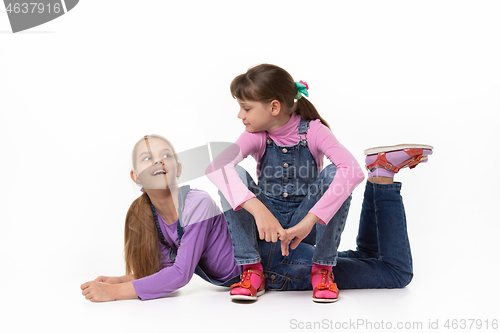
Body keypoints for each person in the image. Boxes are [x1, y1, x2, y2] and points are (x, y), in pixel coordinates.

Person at [206, 64, 433, 303]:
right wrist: (258, 210)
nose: (240, 115)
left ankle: (323, 269)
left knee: (335, 173)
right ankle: (251, 267)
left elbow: (351, 171)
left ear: (274, 107)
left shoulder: (313, 131)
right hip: (268, 232)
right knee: (233, 175)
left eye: (246, 108)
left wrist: (309, 221)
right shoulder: (256, 135)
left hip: (305, 227)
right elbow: (216, 167)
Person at [81, 135, 242, 302]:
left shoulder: (198, 204)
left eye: (166, 156)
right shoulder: (153, 218)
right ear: (136, 176)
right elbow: (166, 272)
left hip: (265, 266)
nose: (158, 161)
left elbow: (180, 274)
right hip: (238, 282)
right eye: (147, 158)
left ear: (179, 169)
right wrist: (120, 281)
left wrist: (115, 292)